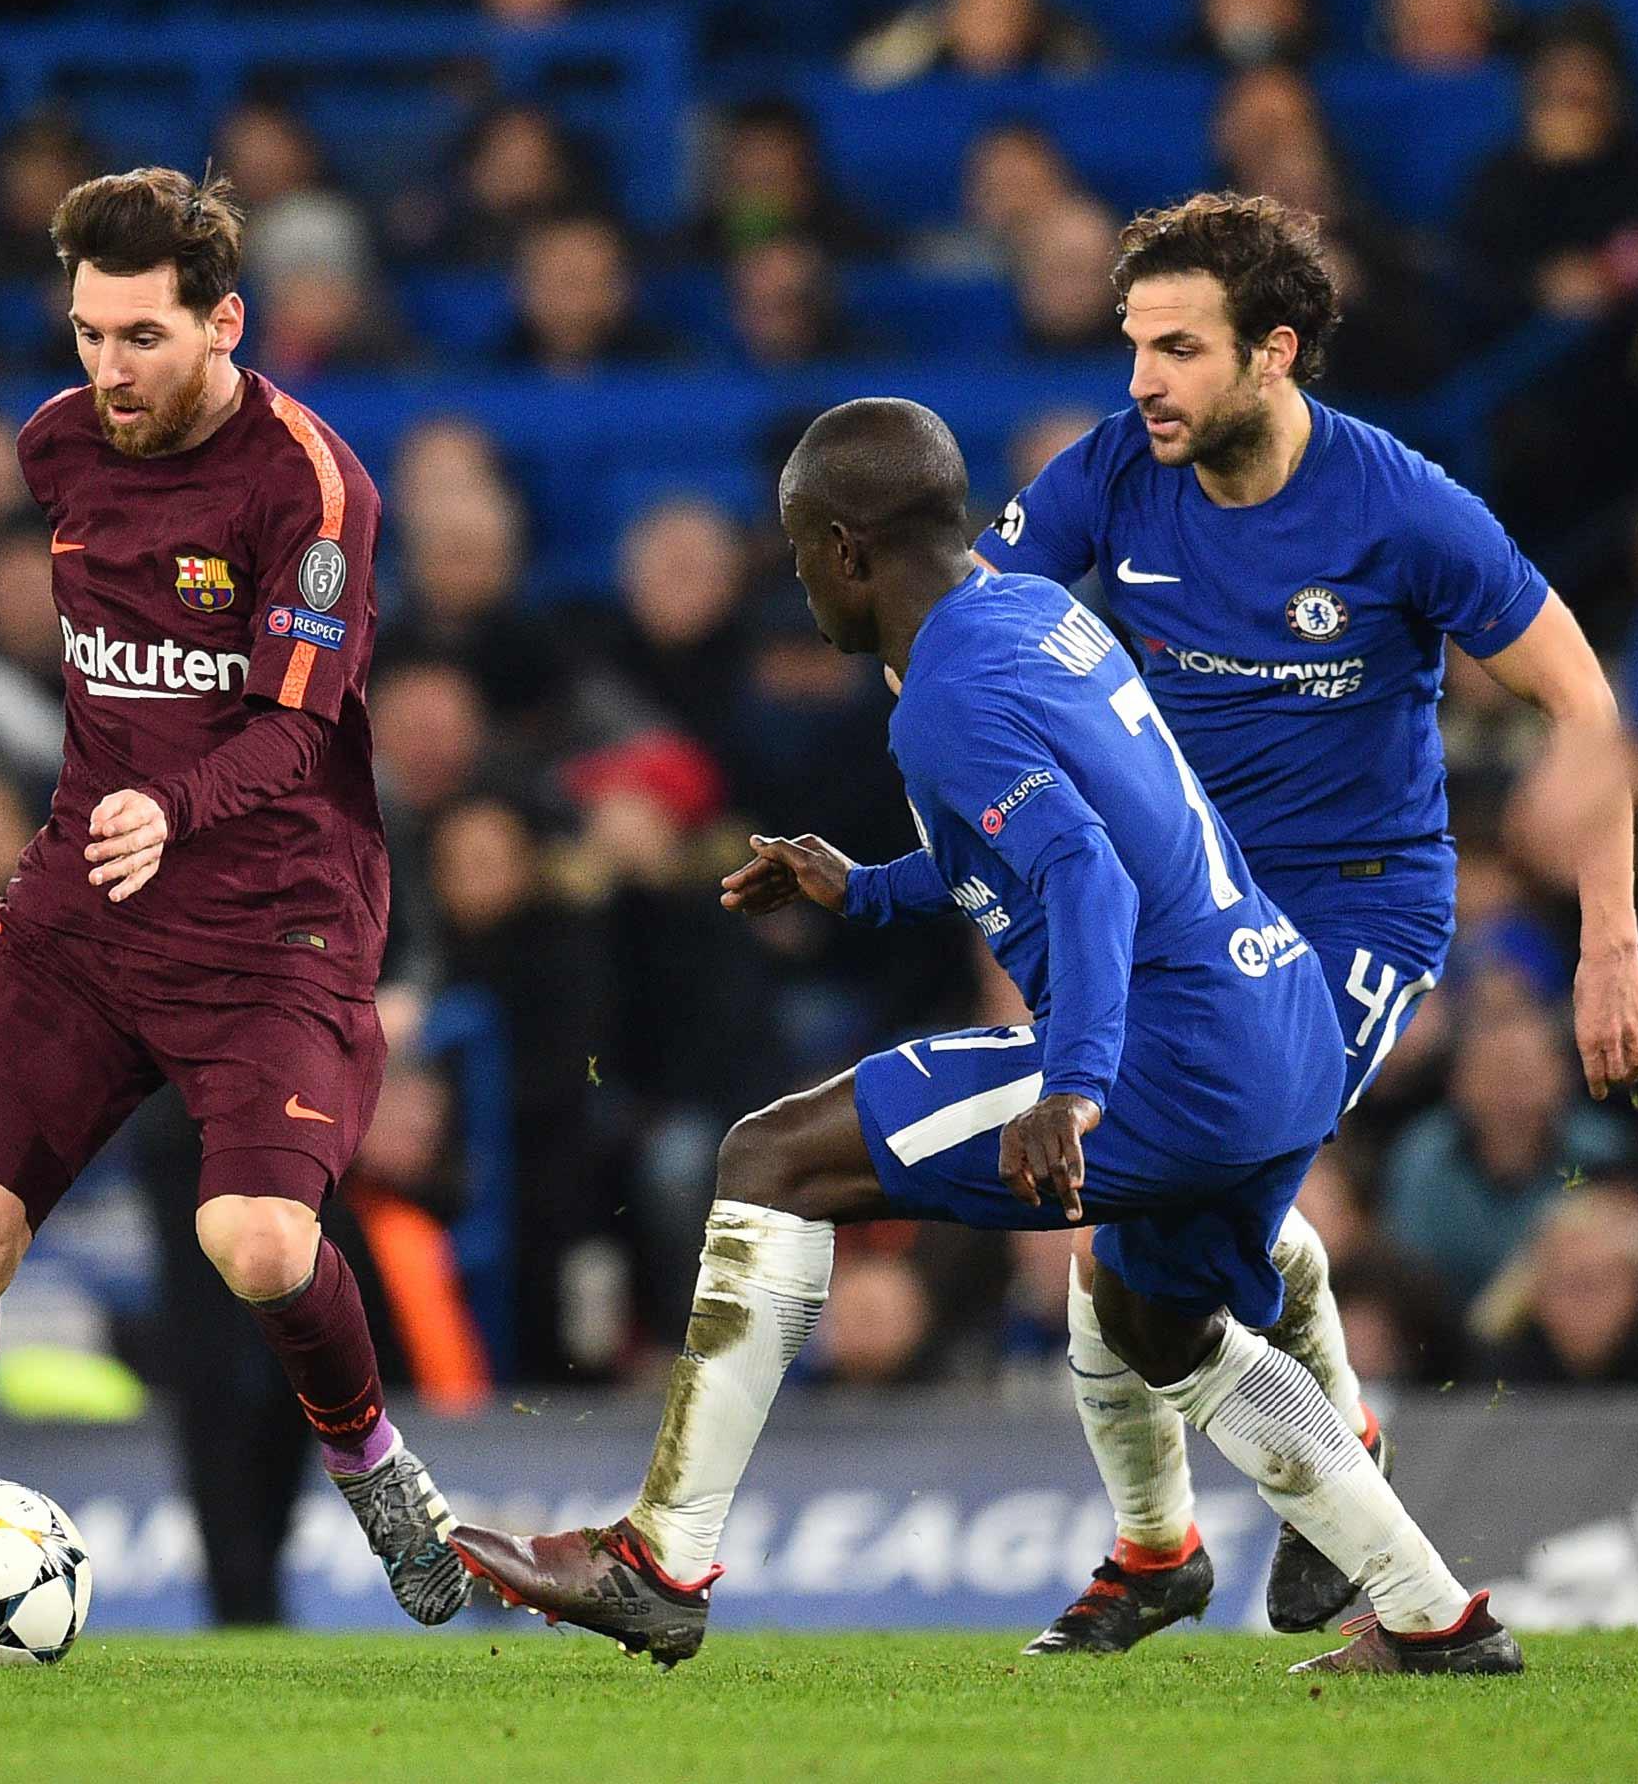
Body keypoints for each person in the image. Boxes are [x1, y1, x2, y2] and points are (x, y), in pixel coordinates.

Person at [446, 397, 1523, 1680]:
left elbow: (1087, 876)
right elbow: (1073, 836)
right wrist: (869, 884)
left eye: (797, 556)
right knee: (1154, 1321)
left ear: (847, 549)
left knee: (770, 1157)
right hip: (1276, 1024)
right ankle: (1435, 1618)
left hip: (1168, 1051)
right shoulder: (1035, 616)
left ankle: (659, 1560)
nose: (797, 586)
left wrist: (1072, 1089)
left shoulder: (945, 692)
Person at [0, 167, 461, 1663]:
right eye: (88, 333)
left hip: (273, 918)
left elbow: (300, 730)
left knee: (258, 1244)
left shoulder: (315, 487)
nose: (108, 370)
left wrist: (174, 807)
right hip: (88, 906)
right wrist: (113, 817)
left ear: (228, 321)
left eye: (142, 337)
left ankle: (375, 1470)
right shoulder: (55, 447)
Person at [980, 190, 1638, 1647]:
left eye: (1177, 347)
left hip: (1355, 916)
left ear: (1274, 352)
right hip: (1187, 910)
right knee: (1128, 1245)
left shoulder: (1401, 506)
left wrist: (1609, 940)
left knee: (1150, 1247)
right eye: (1132, 346)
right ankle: (1276, 1480)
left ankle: (1364, 1570)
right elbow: (976, 633)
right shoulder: (1110, 475)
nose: (1143, 380)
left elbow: (1585, 698)